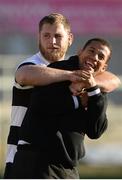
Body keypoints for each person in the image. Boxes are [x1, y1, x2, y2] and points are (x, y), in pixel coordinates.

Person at [4, 13, 120, 179]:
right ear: (39, 37)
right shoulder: (34, 65)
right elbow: (23, 75)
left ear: (70, 39)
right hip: (24, 154)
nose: (52, 42)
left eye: (58, 36)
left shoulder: (78, 69)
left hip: (66, 164)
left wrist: (85, 82)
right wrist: (72, 78)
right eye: (46, 35)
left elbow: (113, 80)